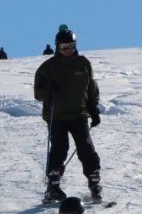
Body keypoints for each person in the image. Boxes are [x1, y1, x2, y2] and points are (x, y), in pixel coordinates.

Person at [34, 28, 103, 203]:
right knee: (59, 148)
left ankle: (94, 181)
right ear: (57, 47)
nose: (68, 50)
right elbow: (38, 92)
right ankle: (53, 185)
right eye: (64, 47)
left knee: (86, 147)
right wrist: (49, 91)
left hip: (79, 114)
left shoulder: (83, 63)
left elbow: (91, 88)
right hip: (56, 116)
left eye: (71, 46)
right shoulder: (48, 67)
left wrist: (93, 109)